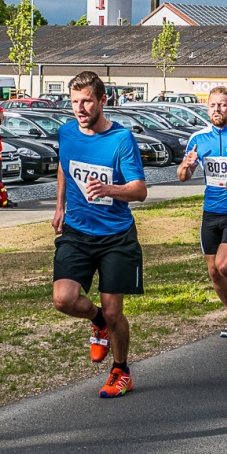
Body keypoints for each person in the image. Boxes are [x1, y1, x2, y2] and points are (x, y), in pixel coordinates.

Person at [52, 71, 147, 398]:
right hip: (77, 231)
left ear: (103, 101)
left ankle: (121, 370)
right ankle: (97, 322)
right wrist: (60, 204)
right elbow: (65, 165)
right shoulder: (66, 133)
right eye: (75, 101)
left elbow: (140, 190)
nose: (80, 108)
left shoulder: (121, 140)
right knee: (63, 299)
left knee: (114, 310)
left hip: (115, 235)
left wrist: (109, 189)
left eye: (87, 101)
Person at [177, 87, 227, 338]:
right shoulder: (199, 138)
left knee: (224, 264)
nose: (217, 109)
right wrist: (186, 166)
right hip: (211, 211)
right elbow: (183, 176)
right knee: (213, 271)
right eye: (213, 105)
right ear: (207, 109)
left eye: (222, 105)